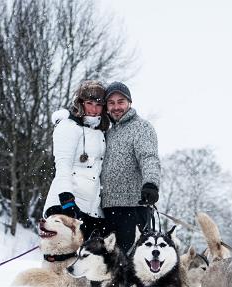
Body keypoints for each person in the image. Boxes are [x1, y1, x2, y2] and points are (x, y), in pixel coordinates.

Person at [43, 80, 109, 238]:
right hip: (66, 203)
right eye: (90, 103)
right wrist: (67, 199)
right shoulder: (68, 126)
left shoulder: (101, 132)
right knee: (61, 256)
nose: (94, 109)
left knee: (84, 261)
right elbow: (63, 165)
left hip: (91, 207)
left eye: (99, 105)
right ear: (81, 103)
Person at [100, 81, 161, 253]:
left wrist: (151, 184)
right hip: (107, 208)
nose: (116, 107)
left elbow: (149, 158)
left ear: (129, 103)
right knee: (110, 265)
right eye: (111, 103)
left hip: (133, 208)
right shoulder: (108, 133)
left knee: (130, 263)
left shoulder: (141, 127)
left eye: (121, 102)